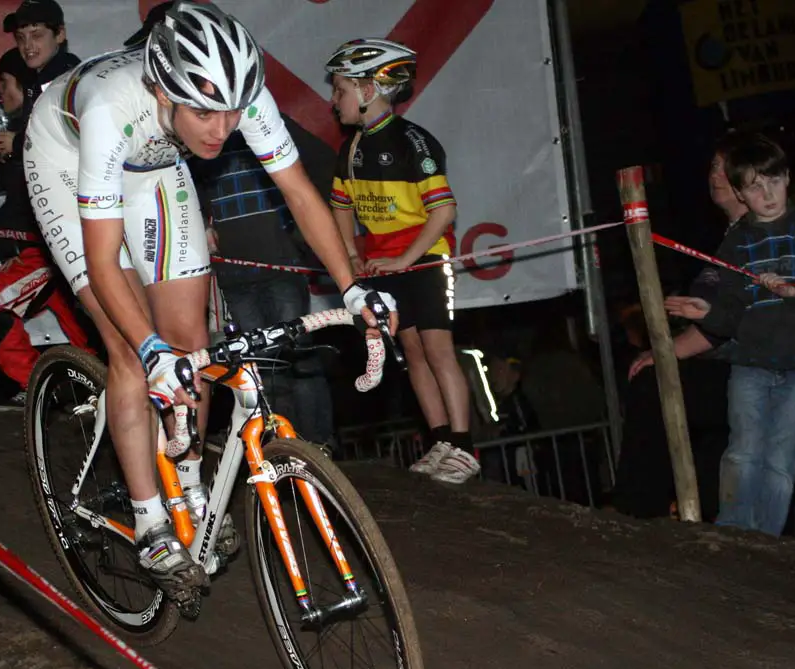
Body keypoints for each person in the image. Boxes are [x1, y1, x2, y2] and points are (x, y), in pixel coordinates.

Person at [24, 2, 395, 605]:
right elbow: (101, 262)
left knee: (191, 345)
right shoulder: (110, 110)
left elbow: (300, 194)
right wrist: (149, 351)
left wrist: (353, 287)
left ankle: (191, 494)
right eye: (204, 111)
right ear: (163, 90)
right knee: (129, 346)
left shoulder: (235, 101)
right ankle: (149, 521)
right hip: (68, 159)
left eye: (231, 112)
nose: (221, 131)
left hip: (156, 164)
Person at [325, 38, 479, 484]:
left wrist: (405, 260)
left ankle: (465, 447)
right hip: (382, 264)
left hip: (425, 258)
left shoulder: (415, 140)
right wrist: (352, 252)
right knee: (411, 353)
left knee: (436, 348)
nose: (334, 102)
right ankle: (439, 442)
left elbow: (444, 210)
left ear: (368, 90)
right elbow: (338, 206)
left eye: (340, 90)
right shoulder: (350, 149)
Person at [666, 133, 795, 536]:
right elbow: (727, 307)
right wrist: (707, 311)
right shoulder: (737, 242)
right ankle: (734, 532)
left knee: (781, 459)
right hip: (749, 363)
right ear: (742, 194)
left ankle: (767, 538)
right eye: (754, 186)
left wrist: (793, 289)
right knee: (743, 451)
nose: (766, 193)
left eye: (773, 180)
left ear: (787, 178)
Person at [611, 135, 748, 520]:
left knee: (653, 388)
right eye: (713, 166)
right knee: (710, 450)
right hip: (727, 364)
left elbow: (726, 321)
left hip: (752, 367)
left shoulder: (757, 236)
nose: (715, 175)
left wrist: (665, 352)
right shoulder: (729, 239)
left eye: (725, 166)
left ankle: (636, 512)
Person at [190, 118, 337, 449]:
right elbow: (184, 181)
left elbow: (326, 162)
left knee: (299, 355)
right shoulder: (203, 129)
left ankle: (319, 444)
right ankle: (281, 447)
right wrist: (201, 220)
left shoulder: (271, 122)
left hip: (282, 265)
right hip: (233, 272)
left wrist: (301, 235)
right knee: (261, 365)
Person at [0, 48, 91, 408]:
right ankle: (98, 392)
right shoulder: (19, 131)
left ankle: (46, 388)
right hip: (44, 253)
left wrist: (22, 143)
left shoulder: (49, 127)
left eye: (5, 83)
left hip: (49, 250)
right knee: (91, 334)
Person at [2, 0, 80, 161]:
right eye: (20, 38)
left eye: (36, 35)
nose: (27, 45)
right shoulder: (37, 79)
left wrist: (16, 143)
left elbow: (68, 140)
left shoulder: (66, 80)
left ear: (59, 34)